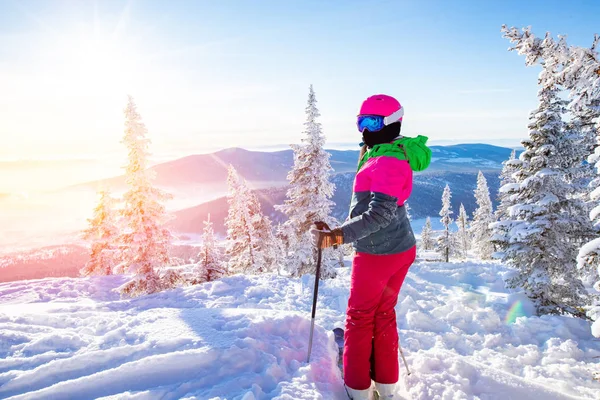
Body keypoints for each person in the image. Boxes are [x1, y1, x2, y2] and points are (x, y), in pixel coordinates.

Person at [310, 94, 431, 399]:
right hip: (399, 247)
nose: (365, 129)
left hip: (378, 254)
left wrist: (336, 237)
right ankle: (387, 385)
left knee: (360, 318)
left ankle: (358, 388)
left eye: (373, 122)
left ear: (392, 123)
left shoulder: (388, 159)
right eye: (361, 122)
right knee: (383, 313)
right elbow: (368, 205)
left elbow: (379, 214)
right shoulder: (385, 150)